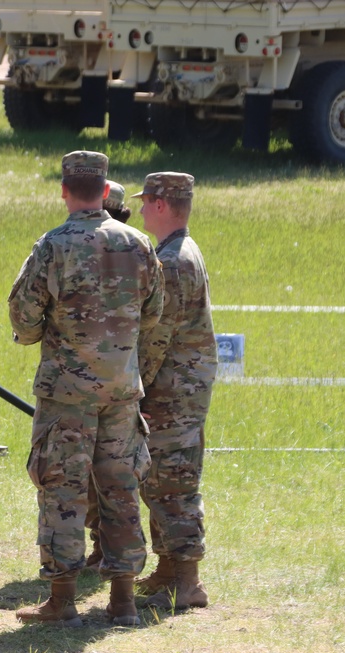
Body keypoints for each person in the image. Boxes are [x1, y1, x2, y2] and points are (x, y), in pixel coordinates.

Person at [8, 151, 164, 627]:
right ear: (103, 191)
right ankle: (123, 601)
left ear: (64, 191)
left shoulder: (53, 246)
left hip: (67, 395)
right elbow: (154, 313)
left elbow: (23, 317)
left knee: (63, 491)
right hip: (120, 392)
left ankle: (62, 600)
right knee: (120, 489)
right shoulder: (139, 244)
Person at [131, 172, 218, 610]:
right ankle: (168, 569)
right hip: (180, 385)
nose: (141, 208)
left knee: (174, 480)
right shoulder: (179, 250)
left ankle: (189, 582)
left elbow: (156, 338)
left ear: (162, 205)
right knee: (158, 476)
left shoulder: (174, 261)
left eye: (146, 201)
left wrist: (134, 390)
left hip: (173, 389)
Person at [84, 177, 135, 571]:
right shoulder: (139, 246)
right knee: (118, 476)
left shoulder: (67, 242)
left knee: (82, 474)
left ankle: (100, 549)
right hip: (124, 382)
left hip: (75, 383)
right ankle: (113, 560)